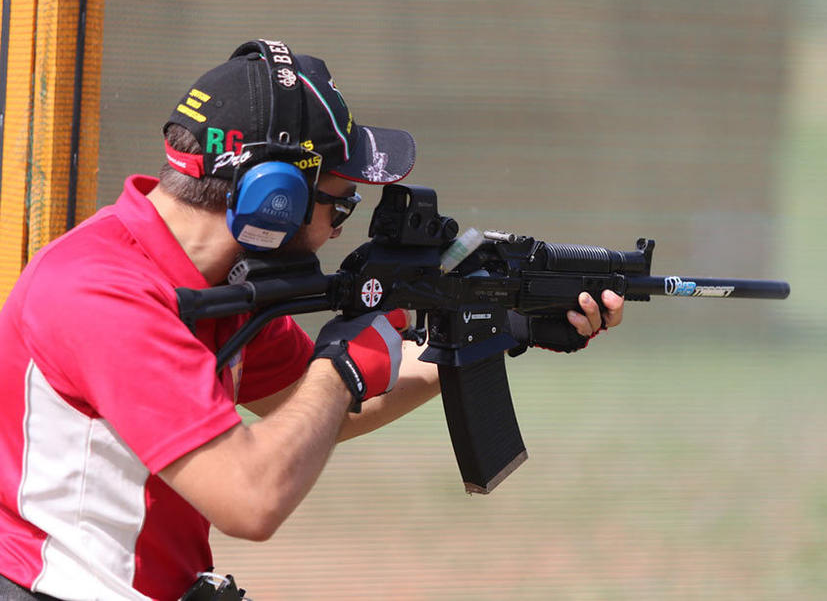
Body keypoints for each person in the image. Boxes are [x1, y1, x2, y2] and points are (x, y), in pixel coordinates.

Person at [0, 39, 624, 601]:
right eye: (341, 201)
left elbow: (310, 406)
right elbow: (251, 498)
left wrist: (495, 330)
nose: (342, 224)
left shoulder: (214, 282)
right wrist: (343, 369)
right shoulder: (104, 295)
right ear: (277, 197)